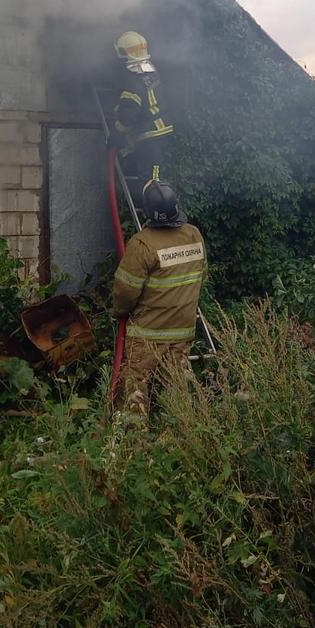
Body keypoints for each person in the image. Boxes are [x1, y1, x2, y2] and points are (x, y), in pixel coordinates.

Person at [112, 180, 207, 417]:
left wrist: (119, 312)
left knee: (134, 385)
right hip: (182, 330)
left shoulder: (142, 244)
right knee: (177, 386)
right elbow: (201, 275)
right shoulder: (194, 235)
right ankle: (182, 431)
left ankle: (134, 434)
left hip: (148, 333)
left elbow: (125, 292)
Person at [111, 31, 175, 197]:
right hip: (157, 131)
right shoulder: (151, 72)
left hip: (150, 134)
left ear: (125, 54)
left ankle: (153, 204)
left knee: (151, 181)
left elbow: (128, 116)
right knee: (150, 173)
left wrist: (116, 132)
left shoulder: (132, 82)